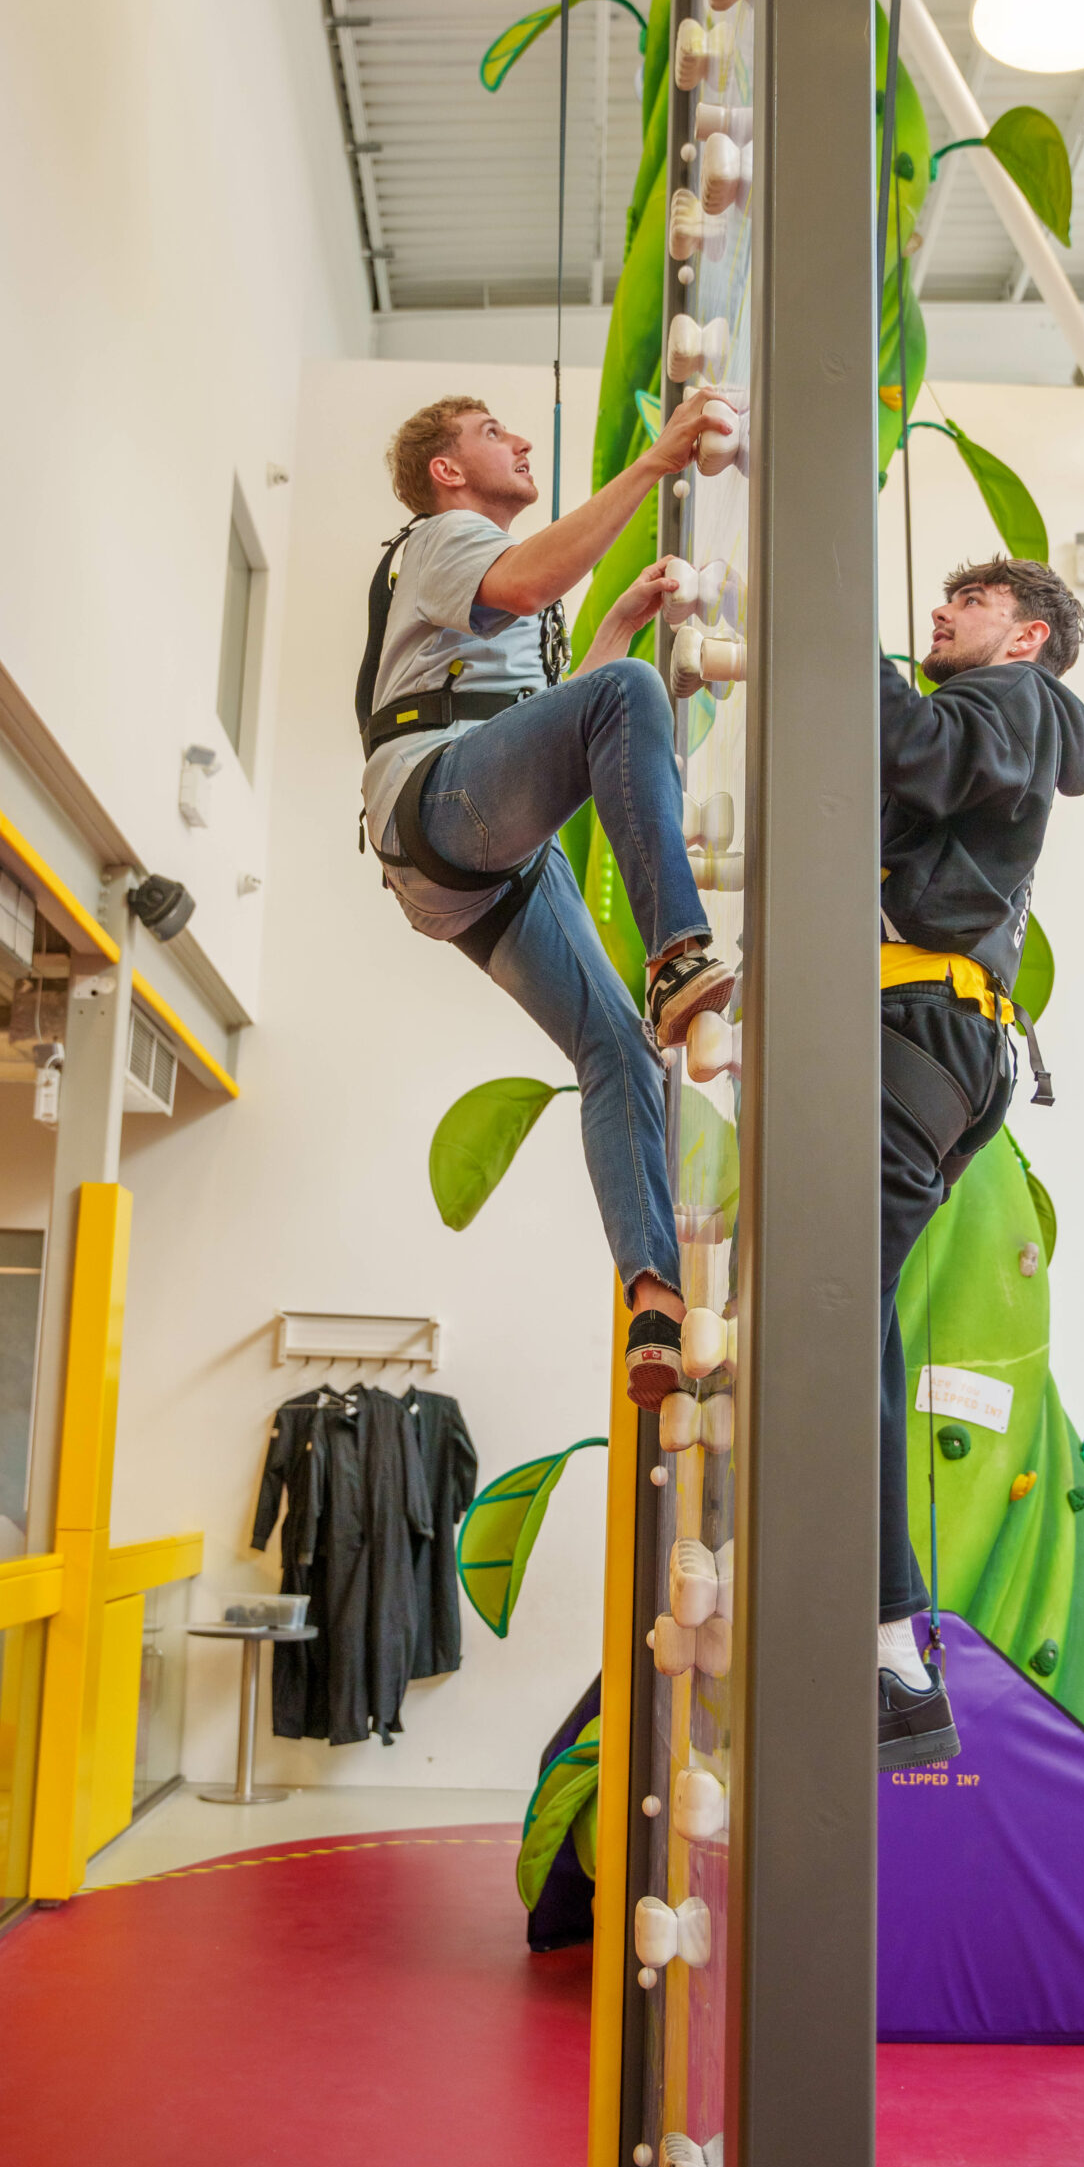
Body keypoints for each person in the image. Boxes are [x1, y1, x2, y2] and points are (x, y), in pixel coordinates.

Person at [357, 391, 731, 1409]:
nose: (519, 443)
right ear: (446, 469)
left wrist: (615, 621)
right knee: (628, 697)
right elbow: (522, 591)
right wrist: (652, 465)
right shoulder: (442, 537)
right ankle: (677, 953)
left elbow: (554, 728)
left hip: (473, 859)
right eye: (493, 434)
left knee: (616, 1050)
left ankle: (651, 1296)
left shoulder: (491, 596)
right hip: (440, 800)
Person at [874, 555, 1084, 1767]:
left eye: (965, 607)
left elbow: (909, 755)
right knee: (847, 1310)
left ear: (1023, 639)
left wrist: (840, 657)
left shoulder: (1005, 704)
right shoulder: (990, 712)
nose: (938, 616)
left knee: (827, 1300)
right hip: (935, 1036)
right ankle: (879, 1623)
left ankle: (884, 1640)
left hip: (919, 1035)